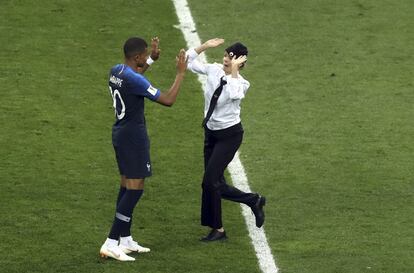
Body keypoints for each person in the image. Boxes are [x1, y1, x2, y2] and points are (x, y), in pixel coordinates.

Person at [99, 37, 187, 261]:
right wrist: (180, 73)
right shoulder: (133, 79)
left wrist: (151, 60)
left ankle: (125, 239)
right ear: (136, 57)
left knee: (126, 184)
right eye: (144, 54)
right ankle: (111, 242)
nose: (146, 57)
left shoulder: (116, 71)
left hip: (120, 133)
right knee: (135, 188)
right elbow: (168, 100)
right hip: (133, 137)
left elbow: (135, 79)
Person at [186, 38, 266, 242]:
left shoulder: (242, 83)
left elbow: (233, 93)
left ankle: (219, 229)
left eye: (232, 58)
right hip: (211, 134)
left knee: (210, 181)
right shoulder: (213, 70)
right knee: (212, 183)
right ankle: (252, 201)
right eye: (226, 55)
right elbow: (188, 61)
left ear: (241, 62)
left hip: (230, 136)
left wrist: (234, 72)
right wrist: (204, 46)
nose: (226, 60)